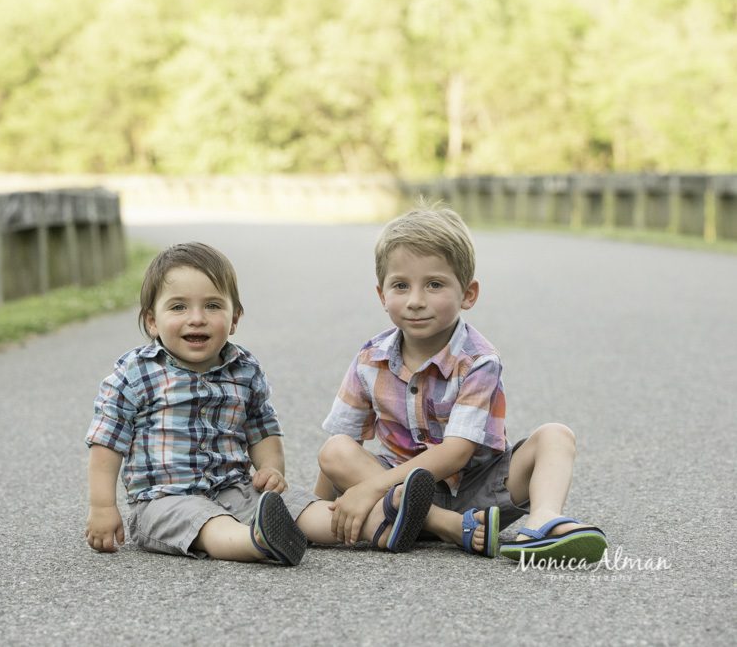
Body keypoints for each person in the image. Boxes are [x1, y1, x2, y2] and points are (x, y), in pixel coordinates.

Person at [84, 242, 436, 564]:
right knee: (206, 523)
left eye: (212, 306)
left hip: (234, 486)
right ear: (151, 321)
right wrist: (103, 506)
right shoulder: (135, 373)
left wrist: (271, 470)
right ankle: (257, 542)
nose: (197, 318)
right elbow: (107, 443)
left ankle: (379, 524)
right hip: (164, 500)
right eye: (178, 307)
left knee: (297, 504)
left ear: (234, 318)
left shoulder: (244, 369)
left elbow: (263, 428)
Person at [316, 207, 607, 565]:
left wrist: (368, 489)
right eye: (401, 285)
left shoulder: (478, 360)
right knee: (334, 449)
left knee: (556, 435)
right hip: (398, 493)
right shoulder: (370, 359)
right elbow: (342, 447)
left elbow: (456, 452)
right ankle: (447, 525)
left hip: (480, 492)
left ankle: (543, 522)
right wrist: (317, 510)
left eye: (434, 284)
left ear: (468, 294)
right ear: (382, 295)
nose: (416, 300)